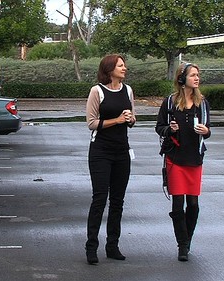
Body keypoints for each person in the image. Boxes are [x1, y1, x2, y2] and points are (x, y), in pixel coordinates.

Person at [155, 63, 211, 262]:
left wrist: (206, 131)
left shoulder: (202, 103)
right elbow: (159, 128)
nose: (197, 78)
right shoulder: (170, 102)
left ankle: (188, 239)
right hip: (175, 158)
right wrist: (169, 129)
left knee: (193, 204)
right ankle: (182, 244)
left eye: (198, 75)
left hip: (194, 158)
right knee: (178, 204)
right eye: (193, 75)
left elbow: (208, 129)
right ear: (182, 79)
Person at [85, 54, 136, 265]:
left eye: (124, 65)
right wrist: (116, 120)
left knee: (118, 201)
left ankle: (112, 245)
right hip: (101, 152)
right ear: (109, 69)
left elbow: (132, 118)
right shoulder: (97, 91)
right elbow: (91, 123)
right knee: (99, 199)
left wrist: (131, 119)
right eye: (120, 65)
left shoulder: (128, 90)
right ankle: (91, 247)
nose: (124, 68)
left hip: (122, 152)